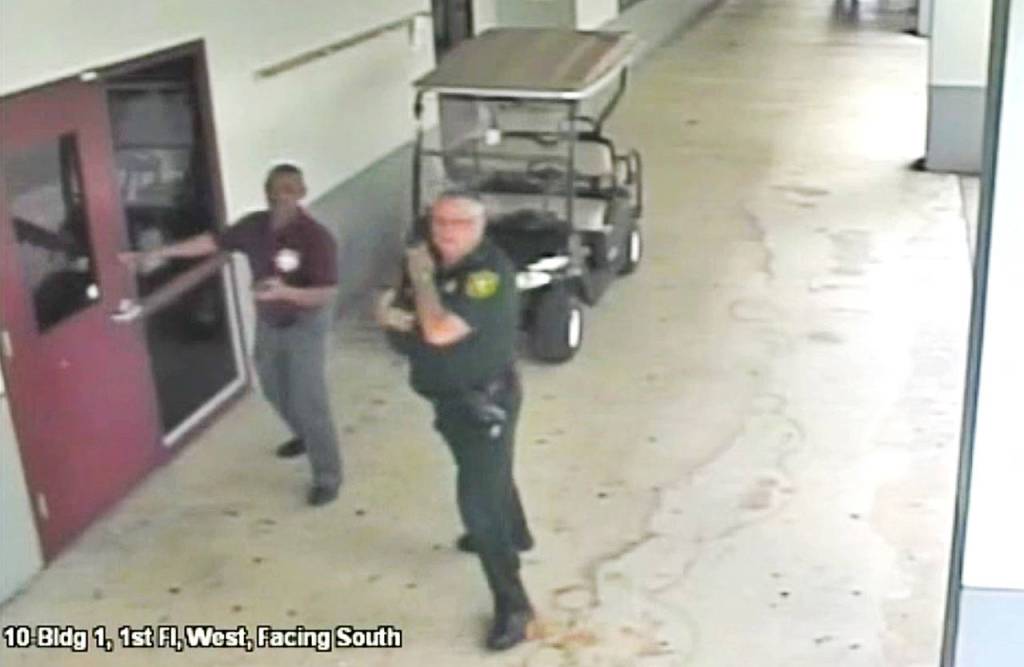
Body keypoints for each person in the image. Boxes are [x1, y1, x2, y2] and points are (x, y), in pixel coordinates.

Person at [120, 163, 343, 506]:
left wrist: (285, 292)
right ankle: (304, 435)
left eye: (288, 189)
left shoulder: (316, 237)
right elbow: (210, 242)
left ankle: (327, 475)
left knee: (308, 397)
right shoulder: (254, 226)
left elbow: (326, 293)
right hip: (271, 318)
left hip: (305, 321)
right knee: (271, 384)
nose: (279, 195)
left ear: (301, 193)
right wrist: (156, 253)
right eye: (274, 188)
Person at [376, 192, 536, 651]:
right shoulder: (438, 266)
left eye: (459, 223)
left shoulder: (485, 274)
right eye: (439, 221)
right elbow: (398, 312)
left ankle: (515, 606)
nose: (445, 230)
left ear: (480, 226)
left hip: (483, 403)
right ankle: (519, 532)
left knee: (479, 506)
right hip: (450, 399)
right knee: (489, 469)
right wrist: (404, 312)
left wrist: (419, 283)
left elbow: (439, 330)